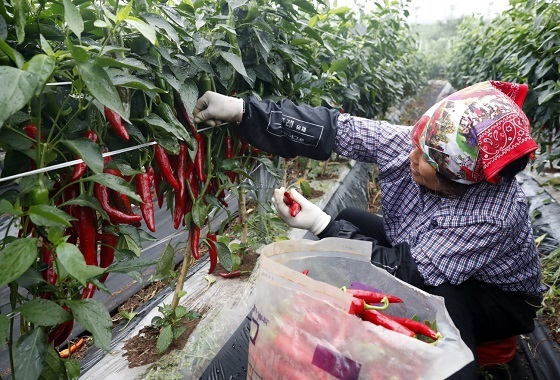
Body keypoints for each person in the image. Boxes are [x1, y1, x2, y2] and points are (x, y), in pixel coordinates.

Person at [193, 81, 545, 379]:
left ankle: (457, 365)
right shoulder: (421, 145)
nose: (412, 155)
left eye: (425, 159)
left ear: (454, 180)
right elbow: (337, 130)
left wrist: (320, 224)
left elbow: (410, 271)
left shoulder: (492, 215)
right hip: (424, 248)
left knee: (441, 302)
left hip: (492, 297)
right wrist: (244, 110)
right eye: (416, 144)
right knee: (349, 216)